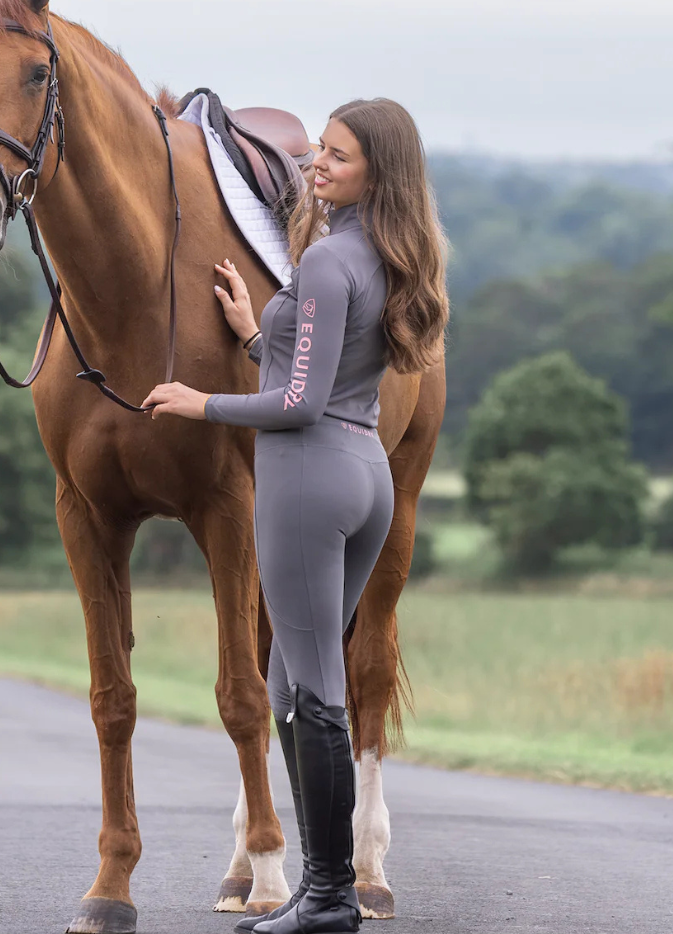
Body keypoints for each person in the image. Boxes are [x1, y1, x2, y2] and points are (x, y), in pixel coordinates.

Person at [141, 98, 448, 934]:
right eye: (320, 149)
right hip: (365, 477)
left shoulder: (320, 264)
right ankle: (324, 889)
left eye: (338, 157)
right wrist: (253, 333)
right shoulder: (388, 255)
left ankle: (327, 897)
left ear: (375, 174)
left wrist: (200, 403)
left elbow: (297, 402)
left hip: (309, 482)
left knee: (314, 695)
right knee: (290, 683)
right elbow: (329, 369)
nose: (317, 164)